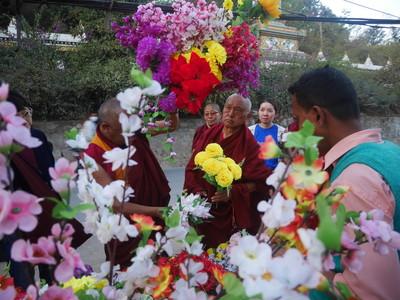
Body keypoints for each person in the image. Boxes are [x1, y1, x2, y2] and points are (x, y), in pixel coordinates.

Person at [288, 66, 400, 300]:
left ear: (318, 116)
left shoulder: (354, 182)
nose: (296, 131)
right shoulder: (387, 151)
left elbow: (368, 294)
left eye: (297, 120)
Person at [0, 90, 89, 288]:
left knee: (38, 275)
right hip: (30, 218)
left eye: (27, 113)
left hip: (30, 218)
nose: (27, 119)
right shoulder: (19, 141)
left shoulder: (26, 138)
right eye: (22, 114)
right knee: (37, 276)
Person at [84, 98, 178, 268]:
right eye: (126, 131)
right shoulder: (92, 156)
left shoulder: (134, 130)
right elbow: (115, 204)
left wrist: (172, 105)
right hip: (125, 231)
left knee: (161, 272)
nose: (132, 134)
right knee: (129, 279)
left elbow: (171, 125)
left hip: (154, 221)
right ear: (106, 127)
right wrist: (156, 211)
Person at [184, 94, 271, 248]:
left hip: (230, 214)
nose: (231, 113)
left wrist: (232, 192)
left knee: (223, 255)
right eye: (228, 108)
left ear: (247, 116)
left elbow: (261, 183)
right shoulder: (210, 134)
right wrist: (197, 192)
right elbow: (192, 167)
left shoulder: (249, 145)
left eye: (237, 110)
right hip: (203, 208)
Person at [249, 101, 285, 170]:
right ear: (258, 112)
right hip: (254, 174)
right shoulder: (250, 131)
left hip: (275, 175)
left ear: (276, 113)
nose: (265, 114)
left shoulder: (282, 132)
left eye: (270, 111)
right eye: (262, 110)